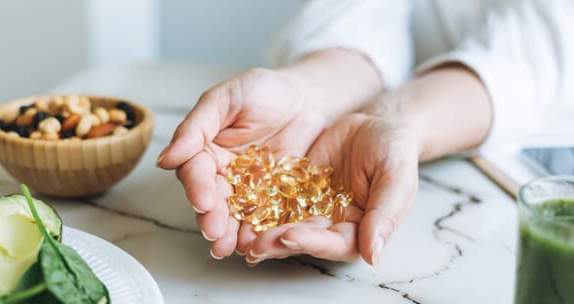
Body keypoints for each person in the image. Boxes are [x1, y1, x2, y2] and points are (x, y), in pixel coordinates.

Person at [157, 0, 574, 266]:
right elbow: (358, 12)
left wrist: (401, 121)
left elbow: (541, 53)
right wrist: (311, 90)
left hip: (544, 149)